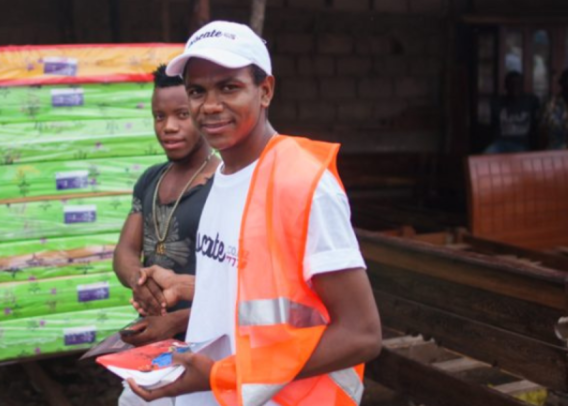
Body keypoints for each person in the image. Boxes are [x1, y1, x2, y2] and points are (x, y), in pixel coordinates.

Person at [127, 21, 383, 406]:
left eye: (229, 87)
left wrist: (220, 375)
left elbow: (361, 334)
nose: (209, 105)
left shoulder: (301, 184)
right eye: (197, 91)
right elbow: (254, 302)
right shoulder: (223, 176)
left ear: (265, 91)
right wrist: (177, 318)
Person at [113, 65, 219, 406]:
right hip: (154, 349)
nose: (169, 127)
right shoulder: (151, 179)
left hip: (211, 348)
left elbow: (239, 288)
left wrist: (173, 319)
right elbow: (125, 252)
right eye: (159, 116)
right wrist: (140, 280)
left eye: (182, 115)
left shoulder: (224, 183)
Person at [484, 71, 541, 154]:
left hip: (521, 144)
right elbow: (492, 126)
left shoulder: (531, 101)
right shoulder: (497, 102)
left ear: (522, 85)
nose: (515, 86)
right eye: (511, 84)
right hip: (500, 143)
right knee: (485, 156)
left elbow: (537, 124)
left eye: (518, 84)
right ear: (506, 86)